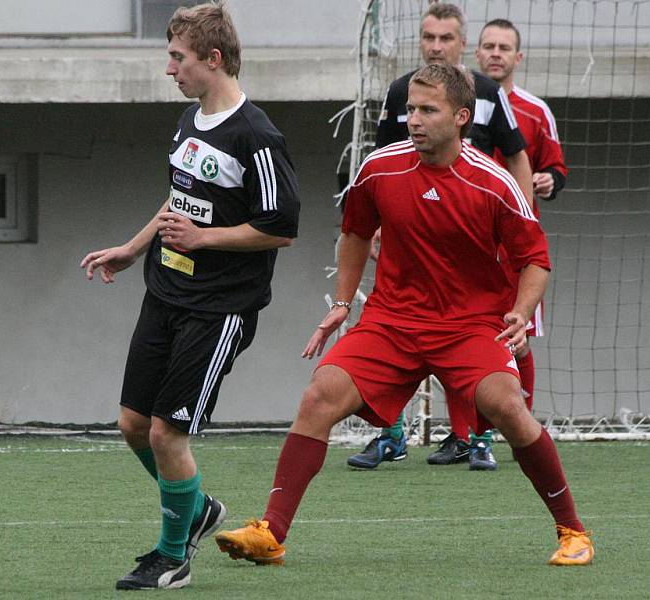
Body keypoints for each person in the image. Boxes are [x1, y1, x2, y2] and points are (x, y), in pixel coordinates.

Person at [215, 63, 594, 568]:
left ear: (461, 117)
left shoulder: (494, 183)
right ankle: (271, 534)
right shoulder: (378, 168)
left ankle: (573, 531)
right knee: (318, 397)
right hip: (392, 322)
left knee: (507, 406)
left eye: (427, 110)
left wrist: (522, 313)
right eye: (411, 109)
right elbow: (353, 234)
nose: (413, 120)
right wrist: (344, 302)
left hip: (469, 326)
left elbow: (535, 261)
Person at [80, 2, 300, 590]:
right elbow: (179, 198)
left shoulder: (256, 135)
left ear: (214, 58)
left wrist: (206, 238)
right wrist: (132, 248)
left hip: (218, 309)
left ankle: (171, 555)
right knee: (132, 423)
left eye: (177, 58)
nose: (169, 68)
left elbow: (281, 226)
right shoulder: (188, 121)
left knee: (165, 432)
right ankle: (198, 508)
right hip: (164, 294)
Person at [348, 1, 533, 471]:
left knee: (482, 337)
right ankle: (390, 435)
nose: (435, 46)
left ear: (461, 44)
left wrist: (522, 219)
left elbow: (515, 157)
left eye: (445, 38)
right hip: (411, 236)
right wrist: (374, 230)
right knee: (391, 332)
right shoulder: (399, 92)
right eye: (428, 37)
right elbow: (382, 163)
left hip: (476, 240)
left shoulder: (488, 92)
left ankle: (477, 436)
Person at [475, 17, 569, 437]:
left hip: (514, 244)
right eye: (488, 46)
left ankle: (519, 425)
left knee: (518, 332)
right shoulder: (463, 105)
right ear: (475, 53)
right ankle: (472, 435)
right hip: (469, 238)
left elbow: (554, 167)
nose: (495, 53)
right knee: (467, 331)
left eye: (504, 47)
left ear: (518, 56)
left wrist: (549, 180)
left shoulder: (535, 111)